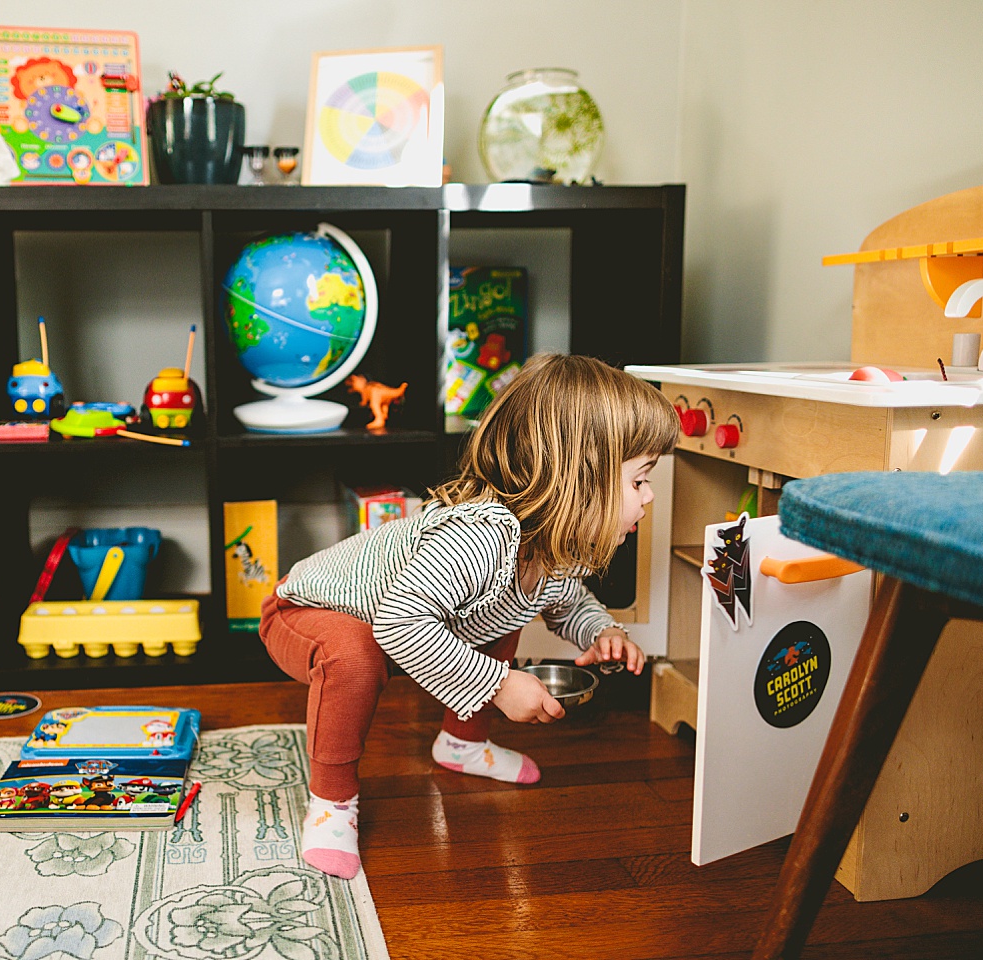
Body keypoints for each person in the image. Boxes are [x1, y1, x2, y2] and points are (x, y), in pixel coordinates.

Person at [259, 353, 680, 879]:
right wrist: (500, 686)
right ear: (579, 477)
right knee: (356, 656)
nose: (650, 496)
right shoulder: (476, 538)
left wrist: (602, 630)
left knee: (499, 612)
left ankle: (462, 742)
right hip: (305, 609)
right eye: (639, 481)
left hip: (388, 616)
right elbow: (399, 624)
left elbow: (565, 598)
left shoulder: (548, 545)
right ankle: (331, 801)